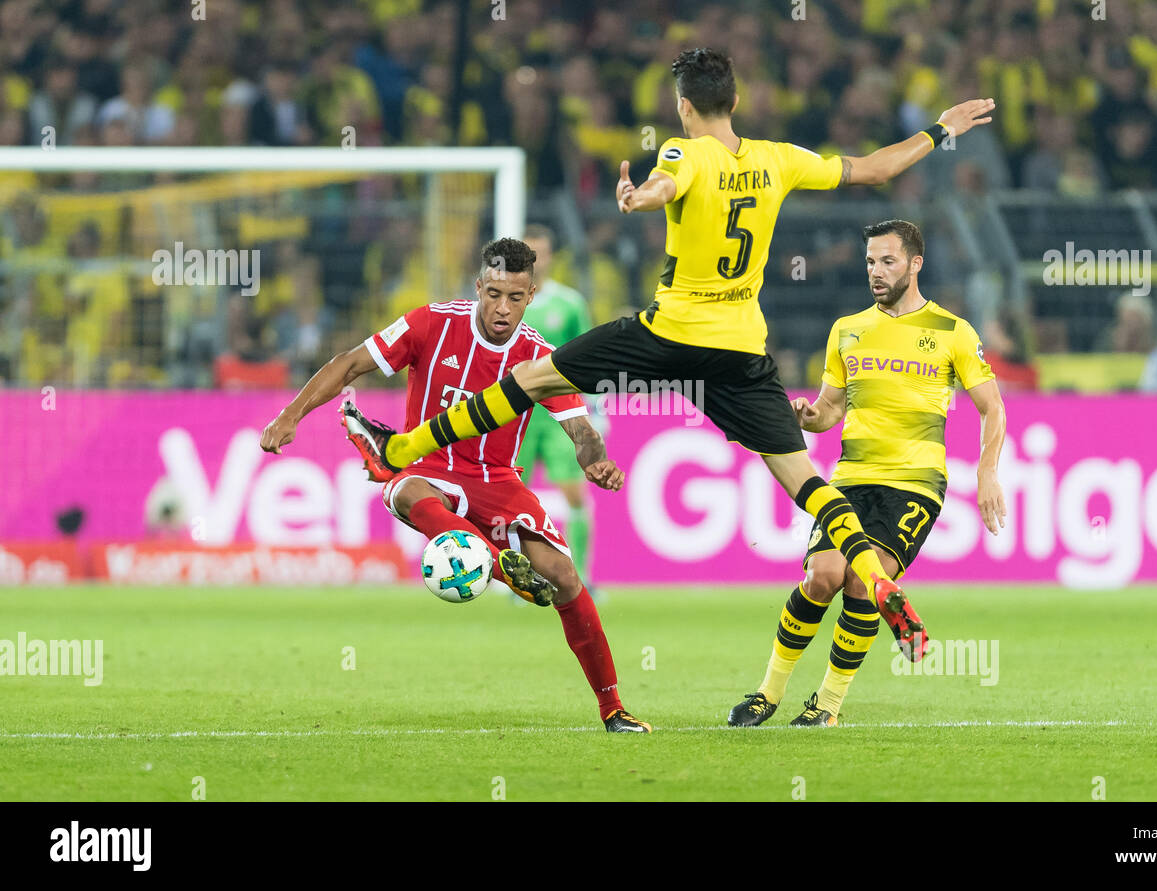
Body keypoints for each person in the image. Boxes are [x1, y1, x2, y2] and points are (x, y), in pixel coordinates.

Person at [348, 48, 997, 617]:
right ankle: (875, 576)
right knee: (800, 474)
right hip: (742, 346)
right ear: (735, 100)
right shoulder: (779, 158)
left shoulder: (685, 149)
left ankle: (404, 451)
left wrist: (638, 199)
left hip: (670, 332)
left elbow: (666, 182)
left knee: (527, 379)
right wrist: (942, 128)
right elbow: (878, 169)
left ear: (685, 107)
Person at [258, 237, 650, 733]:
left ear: (531, 295)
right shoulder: (431, 322)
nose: (501, 308)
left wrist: (595, 461)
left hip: (498, 481)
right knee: (405, 492)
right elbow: (349, 363)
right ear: (477, 287)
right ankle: (501, 565)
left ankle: (613, 708)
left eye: (514, 297)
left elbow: (581, 429)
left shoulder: (540, 357)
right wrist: (290, 416)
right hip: (428, 468)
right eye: (493, 294)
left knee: (565, 578)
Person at [729, 220, 1007, 727]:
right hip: (852, 478)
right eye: (870, 263)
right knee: (821, 577)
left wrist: (987, 472)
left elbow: (993, 408)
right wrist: (807, 416)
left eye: (888, 262)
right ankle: (768, 694)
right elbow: (831, 408)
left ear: (915, 263)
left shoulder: (952, 331)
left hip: (915, 484)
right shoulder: (847, 329)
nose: (876, 273)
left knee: (860, 583)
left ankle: (827, 706)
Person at [516, 224, 596, 581]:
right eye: (529, 253)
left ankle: (581, 576)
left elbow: (592, 360)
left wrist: (597, 410)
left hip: (558, 414)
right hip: (513, 413)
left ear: (551, 257)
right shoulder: (504, 301)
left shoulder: (570, 304)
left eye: (541, 252)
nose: (536, 260)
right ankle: (514, 577)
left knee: (573, 493)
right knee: (510, 497)